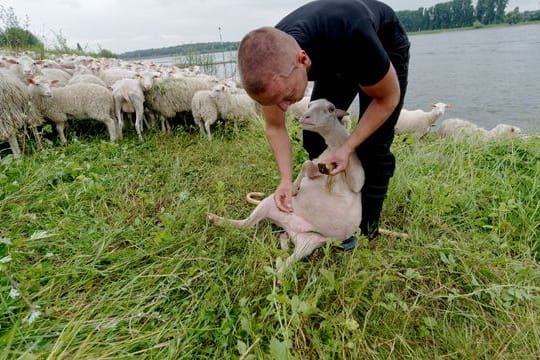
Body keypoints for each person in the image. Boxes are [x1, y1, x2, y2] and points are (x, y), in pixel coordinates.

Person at [237, 0, 410, 248]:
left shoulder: (354, 36)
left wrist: (348, 147)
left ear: (303, 59)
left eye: (286, 97)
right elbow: (276, 127)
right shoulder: (272, 65)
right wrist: (286, 180)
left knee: (372, 147)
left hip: (378, 43)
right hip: (333, 54)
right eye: (275, 101)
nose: (285, 107)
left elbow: (387, 99)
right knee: (313, 135)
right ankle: (328, 205)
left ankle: (366, 229)